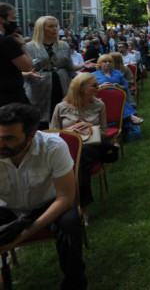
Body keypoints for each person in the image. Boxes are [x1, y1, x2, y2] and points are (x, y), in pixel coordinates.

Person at [0, 103, 87, 289]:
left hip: (51, 202)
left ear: (31, 136)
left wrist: (22, 235)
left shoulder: (53, 146)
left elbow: (65, 198)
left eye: (8, 139)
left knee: (69, 223)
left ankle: (75, 281)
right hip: (7, 206)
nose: (1, 144)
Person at [50, 73, 118, 224]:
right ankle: (75, 204)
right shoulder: (61, 107)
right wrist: (70, 131)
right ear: (80, 88)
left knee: (80, 157)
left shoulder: (99, 104)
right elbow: (52, 134)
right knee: (74, 158)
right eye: (94, 85)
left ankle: (81, 206)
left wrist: (91, 127)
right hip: (66, 147)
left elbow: (104, 133)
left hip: (91, 147)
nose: (98, 88)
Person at [25, 16, 95, 127]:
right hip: (39, 86)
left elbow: (69, 67)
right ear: (41, 28)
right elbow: (23, 70)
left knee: (62, 114)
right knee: (40, 118)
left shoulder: (64, 46)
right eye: (50, 26)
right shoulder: (29, 47)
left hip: (61, 83)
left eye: (56, 26)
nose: (55, 29)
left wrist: (82, 65)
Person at [92, 54, 144, 125]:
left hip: (118, 95)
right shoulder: (94, 75)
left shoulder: (117, 73)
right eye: (105, 61)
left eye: (109, 61)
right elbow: (90, 89)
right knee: (113, 97)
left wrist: (119, 86)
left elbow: (126, 86)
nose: (107, 63)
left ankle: (128, 118)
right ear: (100, 63)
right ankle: (131, 116)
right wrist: (100, 86)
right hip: (102, 98)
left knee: (116, 97)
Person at [0, 3, 33, 106]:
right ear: (2, 19)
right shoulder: (7, 41)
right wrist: (22, 44)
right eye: (13, 18)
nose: (15, 22)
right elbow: (27, 66)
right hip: (10, 97)